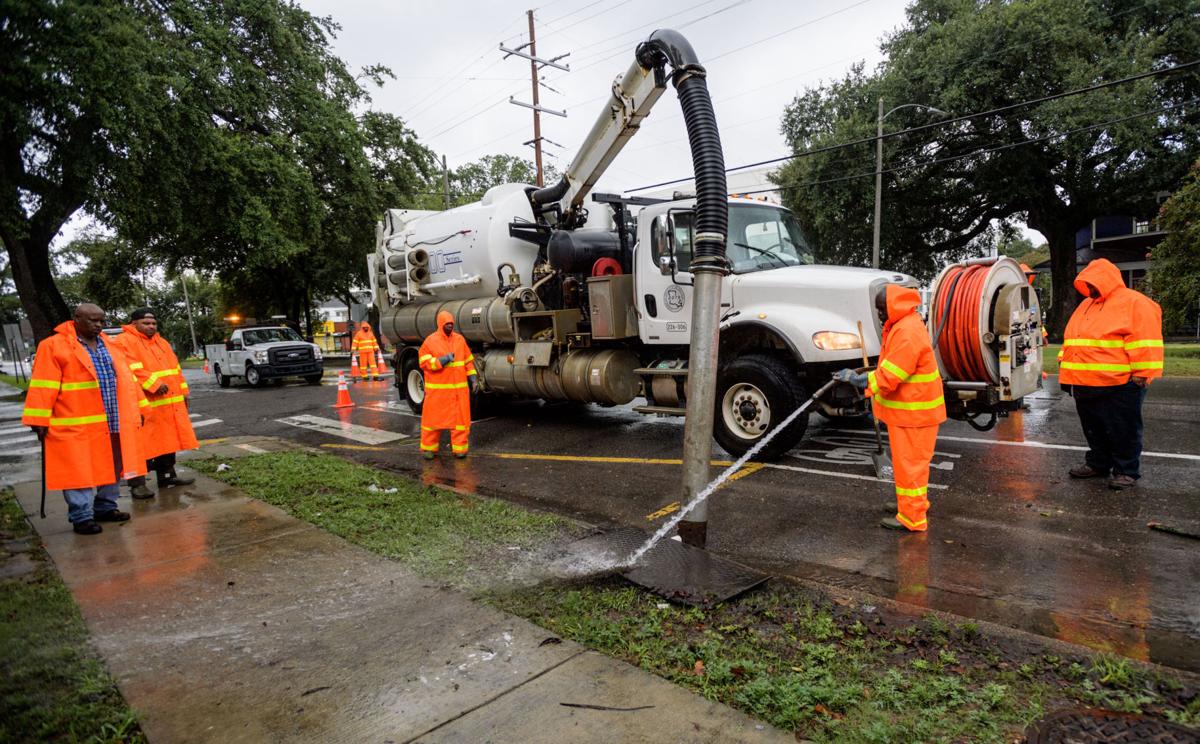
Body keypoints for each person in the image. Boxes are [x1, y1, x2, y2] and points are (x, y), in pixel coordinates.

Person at [22, 304, 148, 535]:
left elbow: (127, 380)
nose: (98, 325)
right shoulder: (53, 346)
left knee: (113, 466)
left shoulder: (110, 345)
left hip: (113, 420)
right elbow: (43, 385)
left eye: (101, 321)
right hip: (75, 422)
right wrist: (38, 419)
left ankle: (105, 507)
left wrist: (138, 408)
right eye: (93, 321)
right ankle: (81, 516)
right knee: (77, 470)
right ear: (77, 319)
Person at [836, 285, 946, 532]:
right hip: (911, 413)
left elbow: (891, 375)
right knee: (909, 465)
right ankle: (910, 504)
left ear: (893, 306)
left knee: (911, 465)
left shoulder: (907, 331)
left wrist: (857, 380)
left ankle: (912, 518)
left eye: (881, 309)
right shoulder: (902, 326)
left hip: (915, 414)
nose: (879, 314)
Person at [1059, 258, 1163, 490]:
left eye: (1093, 282)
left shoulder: (1135, 303)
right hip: (1085, 382)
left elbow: (1147, 341)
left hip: (1121, 384)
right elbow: (1074, 340)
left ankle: (1126, 471)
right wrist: (1064, 364)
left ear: (1106, 280)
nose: (1090, 287)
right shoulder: (1086, 305)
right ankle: (1098, 464)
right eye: (1086, 283)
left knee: (1123, 429)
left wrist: (1143, 372)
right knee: (1094, 427)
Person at [110, 308, 198, 497]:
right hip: (144, 404)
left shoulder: (161, 342)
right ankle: (137, 484)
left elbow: (176, 369)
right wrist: (154, 384)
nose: (151, 326)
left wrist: (184, 393)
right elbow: (127, 369)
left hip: (168, 404)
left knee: (168, 441)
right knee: (141, 446)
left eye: (154, 323)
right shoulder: (123, 342)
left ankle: (167, 476)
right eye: (146, 323)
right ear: (134, 324)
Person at [417, 311, 476, 459]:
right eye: (446, 324)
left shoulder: (459, 340)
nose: (449, 326)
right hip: (439, 394)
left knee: (460, 422)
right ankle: (429, 449)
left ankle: (460, 449)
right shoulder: (430, 341)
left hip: (458, 393)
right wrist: (441, 361)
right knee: (432, 422)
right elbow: (423, 362)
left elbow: (468, 361)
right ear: (440, 324)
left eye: (451, 324)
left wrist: (474, 379)